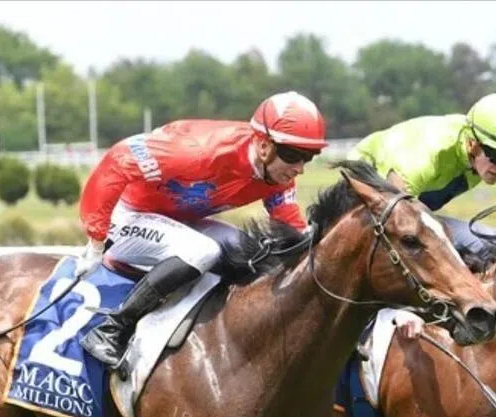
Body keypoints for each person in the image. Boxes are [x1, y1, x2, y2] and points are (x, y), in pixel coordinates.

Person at [76, 91, 327, 374]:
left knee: (254, 253)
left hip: (178, 221)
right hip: (127, 219)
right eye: (293, 156)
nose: (300, 168)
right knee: (202, 251)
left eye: (309, 157)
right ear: (264, 145)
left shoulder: (278, 173)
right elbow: (118, 159)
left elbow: (290, 226)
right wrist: (96, 241)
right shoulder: (198, 152)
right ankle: (112, 329)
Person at [349, 91, 496, 275]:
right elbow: (400, 219)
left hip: (409, 211)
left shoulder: (489, 156)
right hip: (367, 210)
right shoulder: (430, 152)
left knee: (495, 243)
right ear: (471, 143)